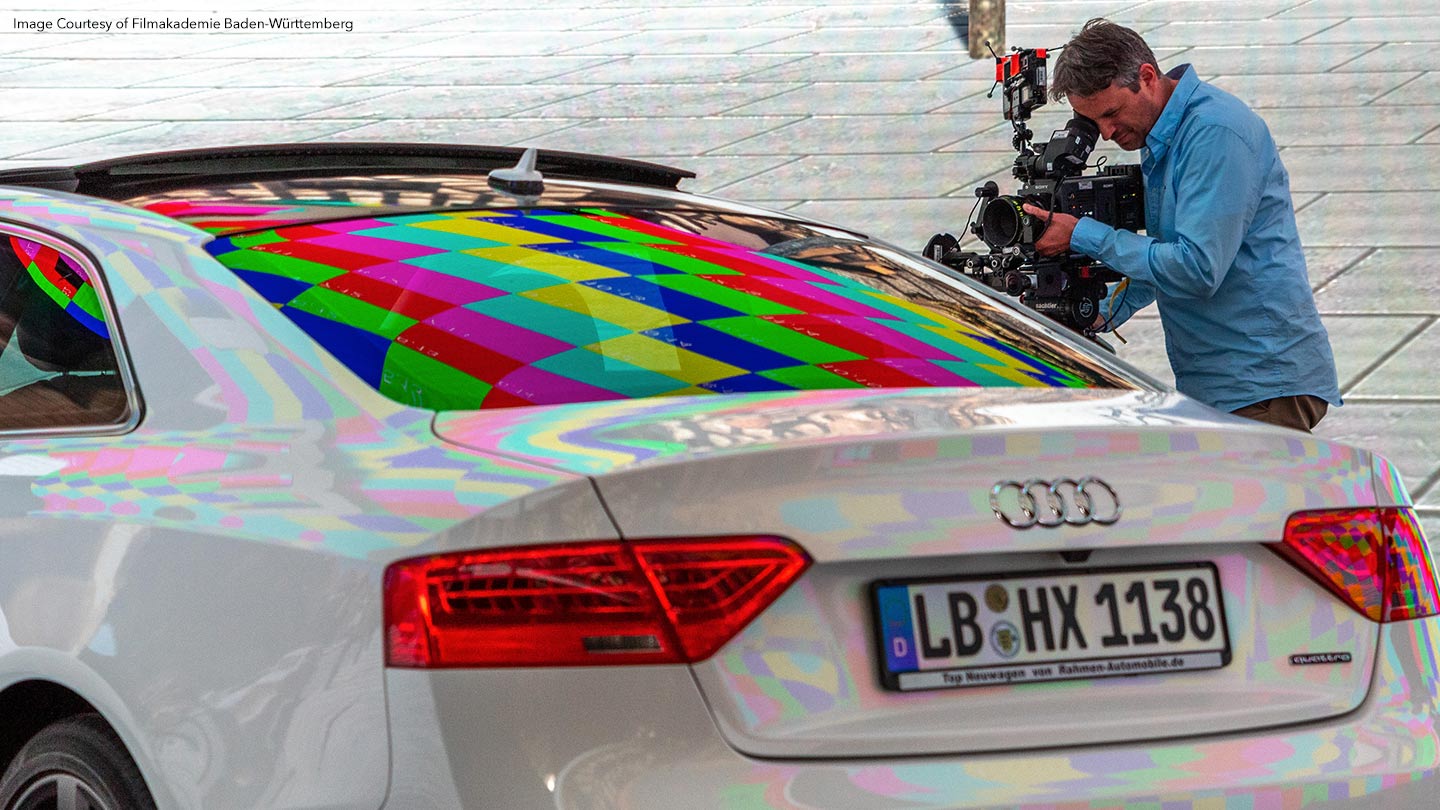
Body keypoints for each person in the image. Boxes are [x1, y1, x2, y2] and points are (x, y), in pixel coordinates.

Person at [1019, 18, 1340, 434]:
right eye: (1094, 122)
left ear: (1147, 77)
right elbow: (1165, 257)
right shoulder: (1164, 136)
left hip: (1261, 386)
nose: (1108, 132)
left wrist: (1081, 233)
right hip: (1223, 386)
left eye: (1112, 113)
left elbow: (1196, 269)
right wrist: (1098, 312)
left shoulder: (1213, 133)